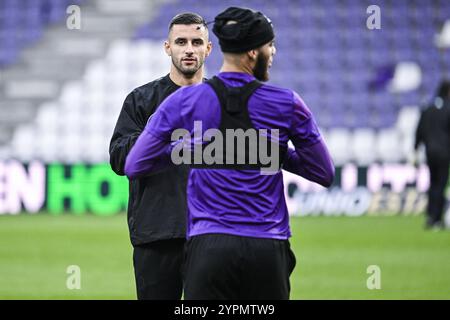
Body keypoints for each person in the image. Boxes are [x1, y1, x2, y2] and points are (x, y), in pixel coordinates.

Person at [124, 7, 334, 299]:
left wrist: (188, 149)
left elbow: (135, 164)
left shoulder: (186, 100)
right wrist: (273, 152)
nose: (272, 52)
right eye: (269, 45)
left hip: (209, 244)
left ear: (214, 48)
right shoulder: (286, 102)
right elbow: (323, 172)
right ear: (252, 52)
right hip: (267, 244)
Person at [109, 12, 212, 300]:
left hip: (212, 236)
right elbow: (119, 160)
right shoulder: (141, 101)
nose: (189, 49)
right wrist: (158, 128)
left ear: (208, 48)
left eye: (196, 41)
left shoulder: (225, 101)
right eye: (181, 41)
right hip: (156, 234)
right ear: (168, 47)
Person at [414, 80, 450, 230]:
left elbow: (419, 130)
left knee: (432, 184)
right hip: (444, 153)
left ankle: (430, 216)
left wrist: (415, 149)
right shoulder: (448, 109)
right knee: (440, 185)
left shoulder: (427, 109)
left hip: (430, 152)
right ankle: (437, 219)